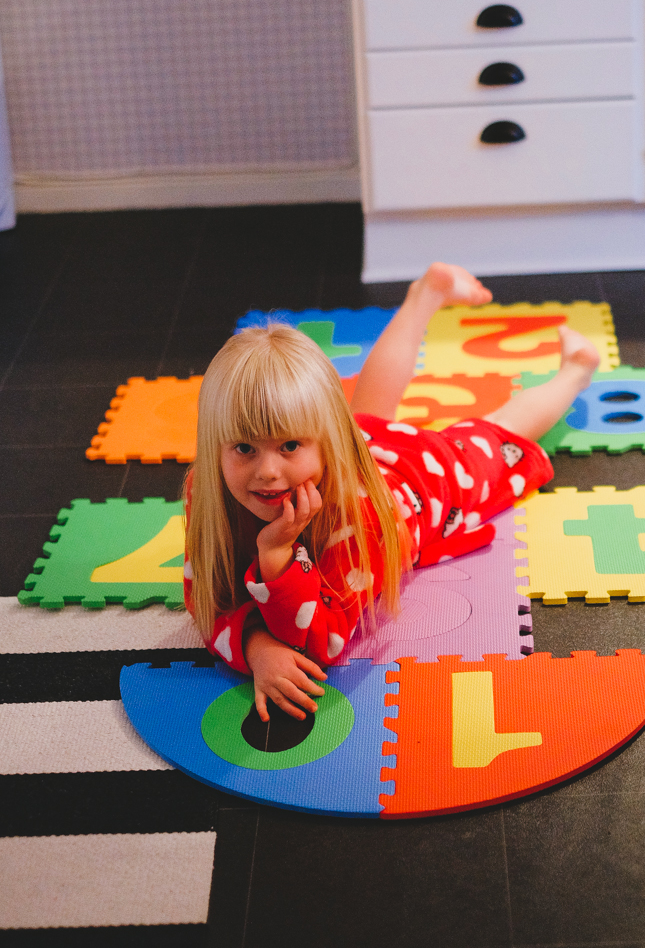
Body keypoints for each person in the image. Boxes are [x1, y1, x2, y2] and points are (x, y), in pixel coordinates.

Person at [183, 263, 600, 724]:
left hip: (421, 479)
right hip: (359, 455)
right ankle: (427, 294)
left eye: (289, 446)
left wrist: (277, 554)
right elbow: (205, 599)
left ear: (328, 442)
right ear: (215, 446)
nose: (267, 472)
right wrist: (257, 647)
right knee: (369, 408)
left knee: (497, 434)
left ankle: (576, 371)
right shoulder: (207, 486)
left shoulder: (358, 520)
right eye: (244, 448)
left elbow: (322, 642)